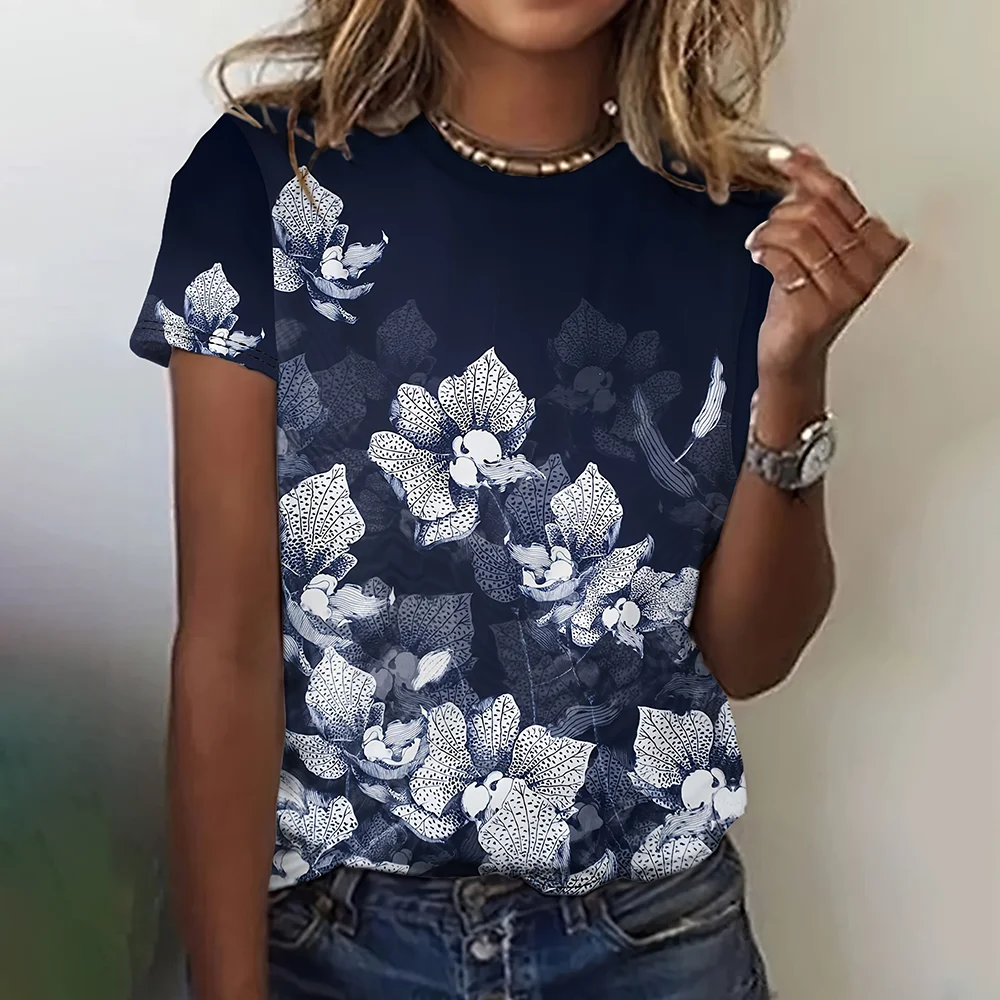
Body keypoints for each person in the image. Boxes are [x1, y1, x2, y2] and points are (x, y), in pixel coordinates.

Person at [130, 1, 907, 997]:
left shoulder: (744, 225)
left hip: (653, 937)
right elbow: (224, 650)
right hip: (332, 943)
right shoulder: (263, 183)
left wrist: (793, 371)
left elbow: (747, 655)